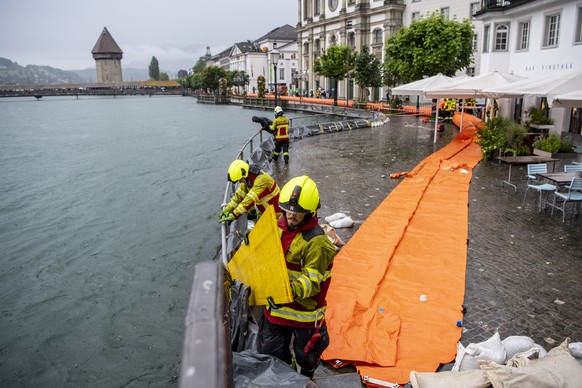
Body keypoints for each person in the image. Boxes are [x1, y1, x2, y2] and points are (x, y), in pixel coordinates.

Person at [258, 176, 336, 379]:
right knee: (272, 351)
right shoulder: (276, 227)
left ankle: (305, 377)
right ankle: (288, 374)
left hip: (304, 313)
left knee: (306, 357)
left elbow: (311, 282)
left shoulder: (318, 243)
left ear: (310, 213)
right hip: (276, 308)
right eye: (288, 210)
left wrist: (286, 291)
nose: (291, 215)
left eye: (298, 213)